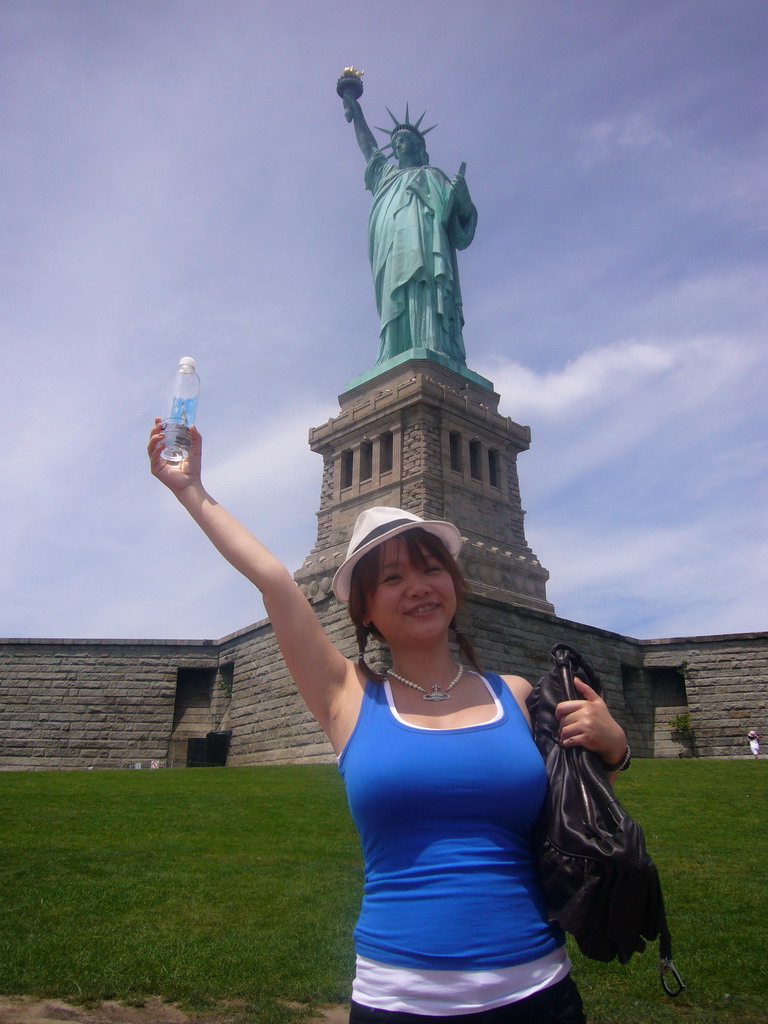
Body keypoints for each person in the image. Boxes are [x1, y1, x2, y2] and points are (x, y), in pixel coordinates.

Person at [148, 421, 629, 1024]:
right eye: (392, 579)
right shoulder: (347, 697)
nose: (418, 589)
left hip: (538, 991)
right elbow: (273, 580)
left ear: (453, 586)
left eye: (430, 571)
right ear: (366, 610)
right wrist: (190, 489)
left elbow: (576, 823)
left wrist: (612, 753)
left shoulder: (516, 694)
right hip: (398, 999)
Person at [342, 92, 477, 366]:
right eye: (395, 142)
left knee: (426, 288)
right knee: (396, 295)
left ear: (419, 147)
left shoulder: (434, 176)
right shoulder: (385, 177)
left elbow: (458, 228)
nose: (399, 145)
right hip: (392, 249)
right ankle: (394, 349)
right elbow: (368, 147)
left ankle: (433, 343)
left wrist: (463, 201)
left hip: (428, 248)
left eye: (405, 141)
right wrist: (355, 110)